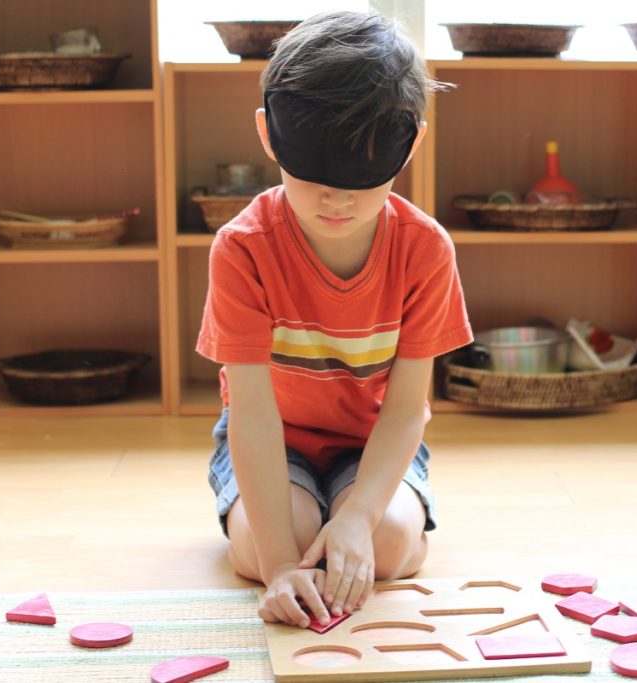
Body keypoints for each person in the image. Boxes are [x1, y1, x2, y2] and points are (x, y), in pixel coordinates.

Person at [197, 10, 472, 630]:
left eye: (361, 178)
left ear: (412, 143)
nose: (337, 200)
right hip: (276, 441)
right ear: (270, 137)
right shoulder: (243, 248)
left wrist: (357, 517)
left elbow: (406, 410)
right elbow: (252, 413)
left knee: (389, 548)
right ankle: (302, 525)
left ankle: (351, 514)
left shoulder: (425, 249)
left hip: (371, 443)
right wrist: (277, 567)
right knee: (264, 549)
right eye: (314, 174)